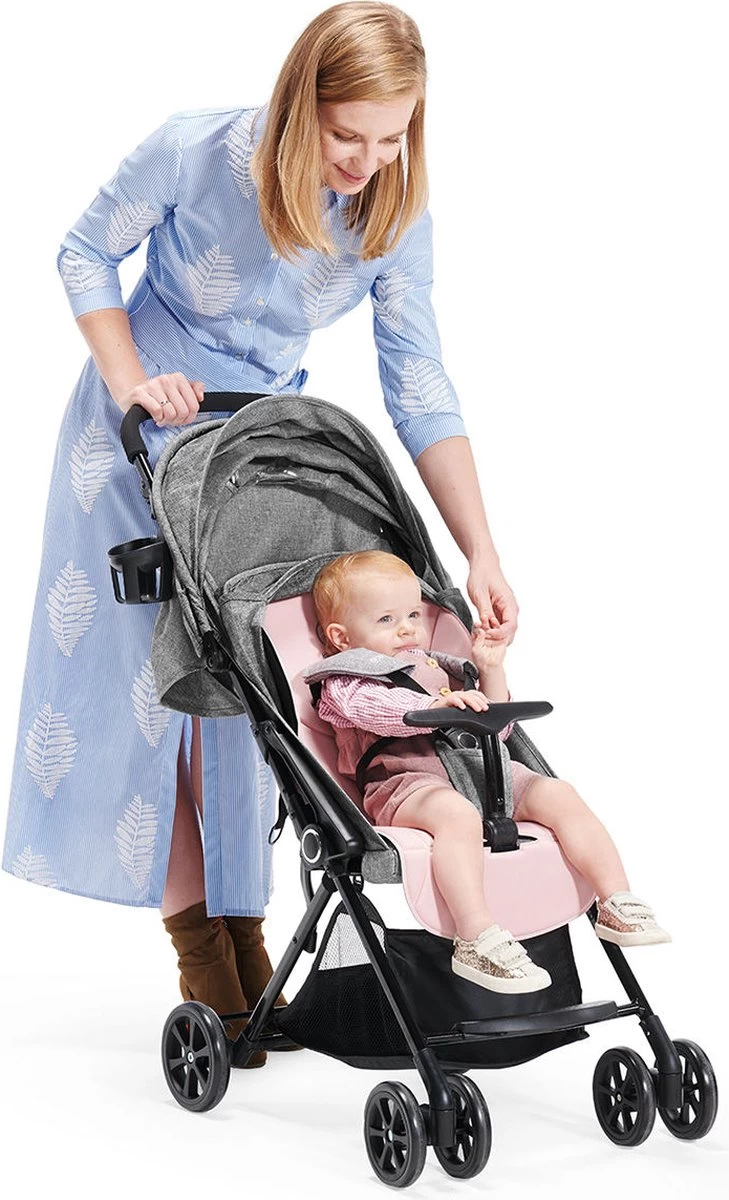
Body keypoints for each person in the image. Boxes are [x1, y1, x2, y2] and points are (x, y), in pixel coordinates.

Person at [2, 2, 517, 1053]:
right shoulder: (195, 149)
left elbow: (419, 382)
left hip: (253, 459)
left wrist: (480, 547)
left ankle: (249, 942)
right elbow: (85, 251)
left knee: (252, 700)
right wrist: (132, 381)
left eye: (392, 137)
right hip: (139, 440)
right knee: (154, 702)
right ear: (295, 108)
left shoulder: (392, 209)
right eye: (346, 135)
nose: (367, 162)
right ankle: (204, 956)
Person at [305, 551, 671, 993]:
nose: (407, 628)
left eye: (413, 615)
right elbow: (373, 710)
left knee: (559, 793)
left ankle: (615, 899)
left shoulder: (434, 667)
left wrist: (490, 668)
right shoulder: (344, 680)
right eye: (386, 619)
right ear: (341, 637)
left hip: (476, 771)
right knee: (456, 816)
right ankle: (475, 935)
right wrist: (432, 705)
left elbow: (498, 730)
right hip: (405, 782)